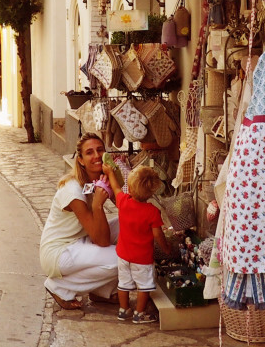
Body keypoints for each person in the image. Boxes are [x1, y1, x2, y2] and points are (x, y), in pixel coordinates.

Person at [39, 133, 119, 310]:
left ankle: (101, 291)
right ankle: (60, 287)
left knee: (126, 224)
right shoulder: (74, 191)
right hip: (59, 252)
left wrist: (114, 177)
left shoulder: (97, 179)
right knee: (123, 258)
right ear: (81, 160)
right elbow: (102, 240)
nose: (96, 156)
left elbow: (125, 204)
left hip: (80, 240)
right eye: (89, 152)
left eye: (100, 150)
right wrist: (97, 205)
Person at [102, 164, 170, 323]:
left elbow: (116, 187)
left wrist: (110, 172)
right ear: (151, 192)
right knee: (144, 286)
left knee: (123, 283)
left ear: (130, 189)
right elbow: (158, 235)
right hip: (142, 258)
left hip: (123, 255)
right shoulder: (152, 212)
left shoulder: (123, 201)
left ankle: (123, 310)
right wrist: (166, 248)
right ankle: (140, 314)